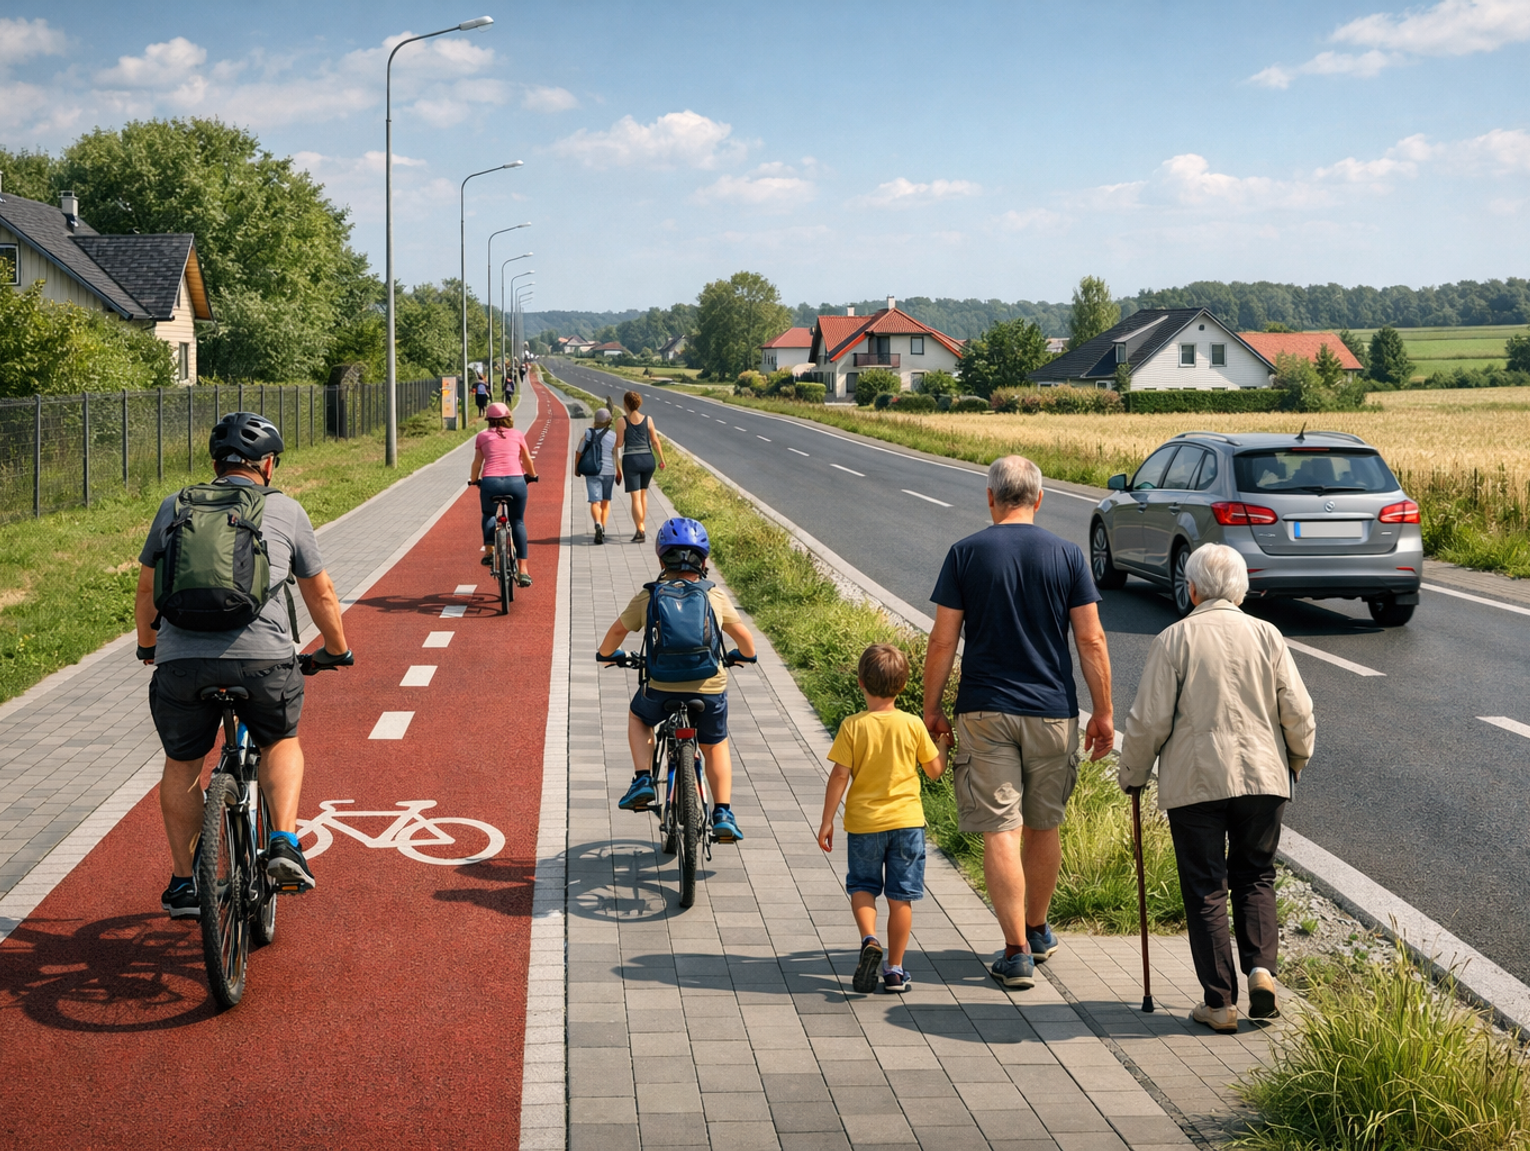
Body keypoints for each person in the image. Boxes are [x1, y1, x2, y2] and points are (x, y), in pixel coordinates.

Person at [134, 412, 353, 918]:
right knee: (280, 740)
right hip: (264, 661)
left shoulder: (174, 505)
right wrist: (336, 649)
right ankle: (284, 843)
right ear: (268, 465)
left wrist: (149, 647)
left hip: (182, 664)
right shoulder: (287, 510)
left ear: (215, 464)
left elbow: (147, 588)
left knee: (183, 763)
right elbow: (320, 591)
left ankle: (185, 884)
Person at [923, 455, 1114, 990]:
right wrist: (1103, 711)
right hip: (1053, 710)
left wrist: (931, 708)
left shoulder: (965, 554)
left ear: (990, 497)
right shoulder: (1068, 555)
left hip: (985, 710)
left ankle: (1016, 952)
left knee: (1000, 827)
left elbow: (943, 640)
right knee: (1043, 823)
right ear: (1039, 498)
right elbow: (1091, 639)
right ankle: (1037, 929)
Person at [1118, 544, 1315, 1033]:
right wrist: (1295, 760)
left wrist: (1133, 774)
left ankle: (1220, 1002)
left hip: (1196, 781)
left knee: (1206, 886)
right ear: (1241, 590)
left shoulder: (1174, 639)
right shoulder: (1268, 635)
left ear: (1192, 590)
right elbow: (1298, 711)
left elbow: (1148, 721)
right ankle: (1262, 972)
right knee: (1256, 874)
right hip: (1263, 777)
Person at [596, 518, 756, 843]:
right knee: (715, 744)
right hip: (709, 688)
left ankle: (643, 779)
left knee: (639, 717)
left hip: (661, 687)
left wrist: (608, 655)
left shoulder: (649, 595)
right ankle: (723, 813)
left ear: (661, 560)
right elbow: (746, 641)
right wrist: (742, 656)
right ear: (704, 561)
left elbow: (617, 632)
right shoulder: (714, 596)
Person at [818, 644, 949, 994]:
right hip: (907, 824)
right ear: (903, 686)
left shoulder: (853, 726)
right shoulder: (913, 725)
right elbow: (935, 771)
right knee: (900, 897)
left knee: (863, 886)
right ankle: (895, 969)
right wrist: (942, 745)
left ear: (861, 682)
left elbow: (839, 776)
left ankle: (870, 939)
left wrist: (827, 820)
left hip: (864, 825)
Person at [470, 401, 538, 586]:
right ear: (508, 418)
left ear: (489, 420)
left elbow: (477, 463)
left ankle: (490, 551)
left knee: (489, 514)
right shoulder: (517, 435)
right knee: (517, 521)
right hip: (516, 482)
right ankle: (523, 570)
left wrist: (474, 480)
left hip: (490, 482)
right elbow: (527, 460)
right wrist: (532, 475)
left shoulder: (482, 436)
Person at [614, 390, 666, 543]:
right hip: (648, 460)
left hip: (632, 460)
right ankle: (642, 524)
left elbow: (619, 444)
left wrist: (617, 465)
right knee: (643, 494)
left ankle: (640, 529)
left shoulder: (622, 421)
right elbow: (655, 441)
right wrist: (662, 459)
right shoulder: (648, 419)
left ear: (625, 404)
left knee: (635, 497)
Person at [581, 409, 618, 544]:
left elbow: (579, 451)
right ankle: (603, 528)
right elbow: (617, 455)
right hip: (609, 472)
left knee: (595, 501)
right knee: (605, 502)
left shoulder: (588, 433)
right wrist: (619, 471)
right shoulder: (613, 436)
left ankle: (598, 523)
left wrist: (576, 468)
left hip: (592, 471)